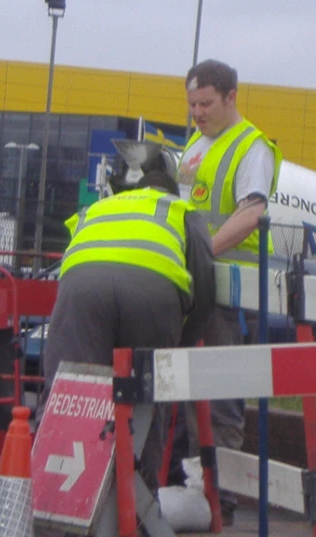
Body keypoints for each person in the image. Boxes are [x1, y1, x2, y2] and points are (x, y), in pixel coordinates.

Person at [39, 169, 215, 493]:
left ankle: (59, 500)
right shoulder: (180, 210)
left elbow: (77, 259)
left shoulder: (98, 208)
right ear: (172, 194)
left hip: (82, 291)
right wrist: (175, 352)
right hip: (152, 293)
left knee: (71, 394)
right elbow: (205, 291)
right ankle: (138, 509)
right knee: (146, 398)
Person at [177, 59, 282, 525]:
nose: (197, 113)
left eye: (206, 104)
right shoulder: (195, 147)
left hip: (233, 295)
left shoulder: (251, 148)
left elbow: (251, 213)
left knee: (223, 396)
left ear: (232, 97)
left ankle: (224, 499)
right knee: (184, 389)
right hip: (197, 287)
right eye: (192, 105)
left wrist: (202, 254)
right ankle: (194, 488)